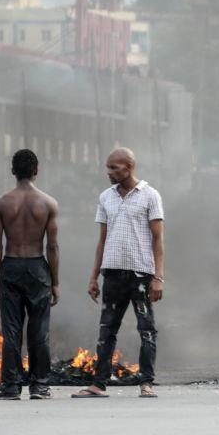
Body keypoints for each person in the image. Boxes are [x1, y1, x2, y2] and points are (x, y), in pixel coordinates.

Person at [72, 147, 164, 399]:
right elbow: (102, 240)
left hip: (140, 275)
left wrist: (158, 277)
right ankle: (98, 384)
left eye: (114, 167)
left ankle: (147, 383)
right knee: (107, 330)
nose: (108, 172)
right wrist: (94, 276)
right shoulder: (106, 198)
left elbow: (158, 240)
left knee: (146, 329)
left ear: (129, 167)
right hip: (112, 274)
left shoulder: (150, 195)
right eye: (108, 167)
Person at [0, 149, 59, 400]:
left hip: (11, 266)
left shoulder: (1, 203)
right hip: (38, 268)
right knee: (39, 330)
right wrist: (56, 282)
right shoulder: (48, 203)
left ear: (12, 171)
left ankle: (10, 386)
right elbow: (52, 246)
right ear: (36, 170)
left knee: (11, 331)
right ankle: (40, 386)